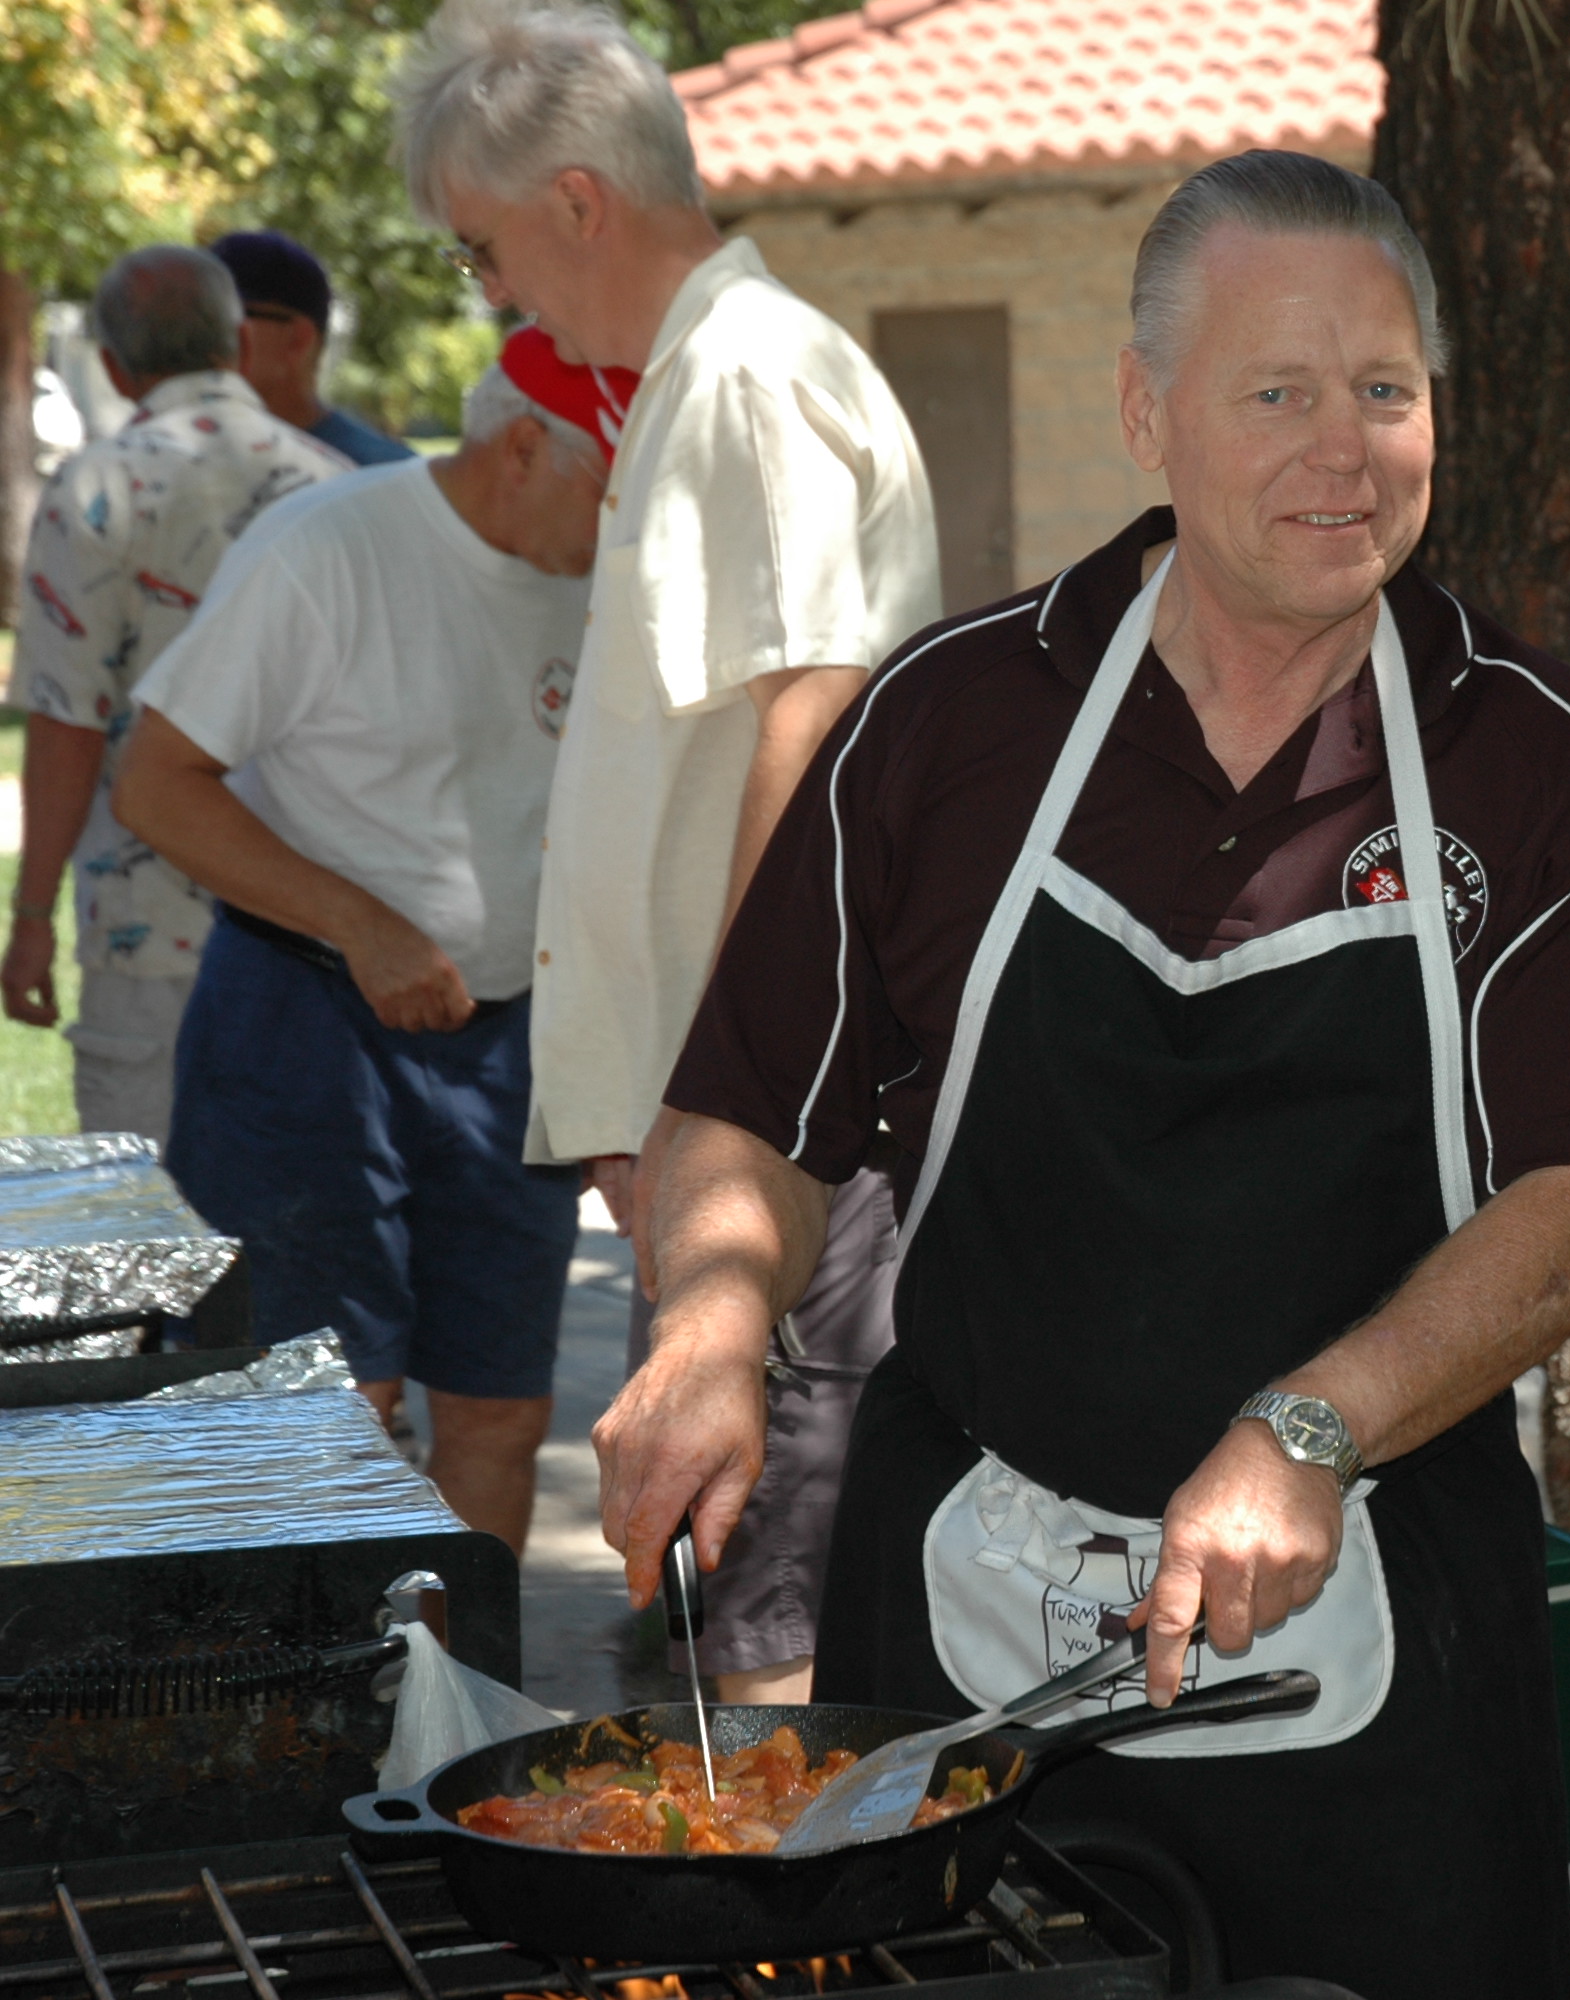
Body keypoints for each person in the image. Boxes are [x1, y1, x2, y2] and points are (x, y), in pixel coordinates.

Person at [594, 149, 1570, 1995]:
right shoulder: (950, 723)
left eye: (1385, 391)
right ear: (1144, 412)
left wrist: (1308, 1426)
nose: (1344, 449)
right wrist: (706, 1330)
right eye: (1277, 392)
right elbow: (750, 1107)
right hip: (958, 1629)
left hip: (1380, 1631)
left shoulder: (1536, 754)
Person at [391, 0, 936, 1701]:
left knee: (761, 1620)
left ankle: (775, 1944)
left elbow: (813, 708)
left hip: (760, 1145)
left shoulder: (743, 370)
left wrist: (728, 1085)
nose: (494, 295)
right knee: (730, 1600)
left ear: (572, 200)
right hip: (726, 1137)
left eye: (483, 249)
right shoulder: (707, 370)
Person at [112, 329, 630, 1554]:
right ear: (520, 449)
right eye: (613, 488)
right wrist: (358, 923)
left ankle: (466, 1718)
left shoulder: (600, 575)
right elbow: (157, 783)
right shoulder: (329, 546)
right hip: (304, 1030)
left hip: (510, 1048)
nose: (628, 522)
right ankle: (324, 1732)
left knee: (502, 1412)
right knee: (328, 1415)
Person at [6, 247, 353, 1139]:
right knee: (299, 1241)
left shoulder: (94, 489)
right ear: (238, 341)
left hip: (146, 936)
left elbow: (65, 726)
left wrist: (33, 916)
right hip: (314, 922)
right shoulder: (341, 488)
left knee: (155, 1247)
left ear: (115, 368)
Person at [208, 230, 419, 467]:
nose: (202, 333)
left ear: (298, 339)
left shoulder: (378, 474)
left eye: (223, 316)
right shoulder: (178, 459)